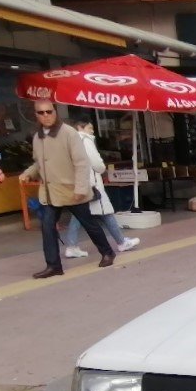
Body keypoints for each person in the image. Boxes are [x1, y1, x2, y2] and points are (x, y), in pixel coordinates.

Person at [19, 100, 114, 277]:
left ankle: (107, 252)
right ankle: (53, 265)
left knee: (89, 224)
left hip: (72, 190)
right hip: (50, 192)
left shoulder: (69, 133)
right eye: (41, 113)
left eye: (49, 111)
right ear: (36, 115)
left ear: (55, 112)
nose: (46, 115)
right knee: (47, 228)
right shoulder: (37, 137)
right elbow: (39, 163)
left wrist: (80, 188)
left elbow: (81, 163)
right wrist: (29, 173)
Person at [62, 119, 140, 258]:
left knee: (78, 215)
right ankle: (121, 242)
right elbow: (96, 163)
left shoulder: (69, 141)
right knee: (106, 213)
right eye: (90, 128)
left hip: (79, 182)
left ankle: (72, 245)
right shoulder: (85, 140)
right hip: (92, 183)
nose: (92, 131)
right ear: (80, 126)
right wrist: (102, 169)